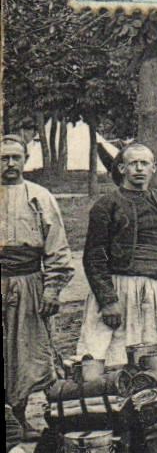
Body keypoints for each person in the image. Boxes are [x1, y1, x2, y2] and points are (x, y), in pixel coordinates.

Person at [78, 143, 157, 363]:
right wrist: (107, 301)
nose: (139, 169)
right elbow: (93, 258)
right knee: (109, 359)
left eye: (144, 163)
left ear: (153, 168)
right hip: (116, 289)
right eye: (133, 163)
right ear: (122, 168)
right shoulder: (106, 205)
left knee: (154, 358)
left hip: (149, 291)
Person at [2, 133, 73, 419]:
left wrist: (52, 289)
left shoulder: (39, 196)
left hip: (28, 283)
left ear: (26, 160)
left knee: (28, 354)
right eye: (3, 158)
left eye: (15, 158)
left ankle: (21, 417)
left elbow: (56, 246)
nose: (10, 164)